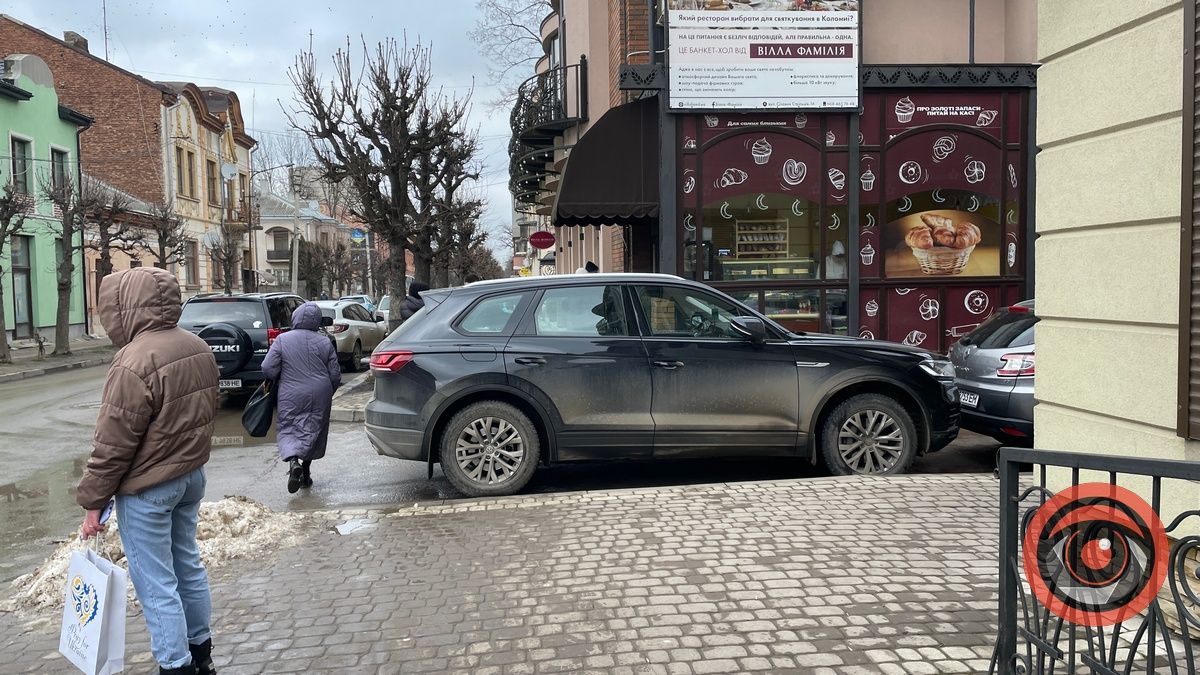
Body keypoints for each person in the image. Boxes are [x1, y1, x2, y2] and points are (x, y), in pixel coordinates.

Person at [77, 267, 219, 675]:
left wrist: (93, 502)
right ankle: (201, 652)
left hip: (148, 488)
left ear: (123, 306)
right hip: (190, 477)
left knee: (156, 582)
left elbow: (113, 442)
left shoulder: (133, 360)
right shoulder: (197, 345)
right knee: (187, 564)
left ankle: (175, 666)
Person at [262, 303, 342, 493]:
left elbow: (267, 368)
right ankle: (305, 472)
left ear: (295, 318)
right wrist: (328, 392)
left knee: (289, 428)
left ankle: (293, 462)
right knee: (313, 431)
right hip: (320, 392)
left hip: (291, 393)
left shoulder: (282, 340)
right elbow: (335, 374)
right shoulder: (324, 342)